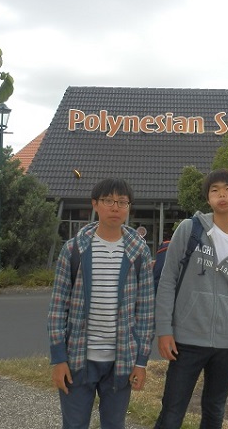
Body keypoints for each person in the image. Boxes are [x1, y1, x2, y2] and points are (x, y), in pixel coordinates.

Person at [154, 168, 228, 429]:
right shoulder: (189, 230)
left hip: (225, 346)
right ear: (208, 198)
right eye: (215, 190)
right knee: (172, 411)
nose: (222, 195)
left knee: (214, 412)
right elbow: (167, 281)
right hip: (186, 340)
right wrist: (164, 330)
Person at [47, 178, 155, 429]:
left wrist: (141, 362)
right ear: (95, 204)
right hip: (77, 359)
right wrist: (58, 358)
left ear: (129, 207)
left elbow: (146, 312)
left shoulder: (139, 253)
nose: (115, 207)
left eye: (122, 202)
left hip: (121, 361)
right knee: (74, 425)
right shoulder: (73, 250)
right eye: (108, 201)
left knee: (115, 424)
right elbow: (57, 308)